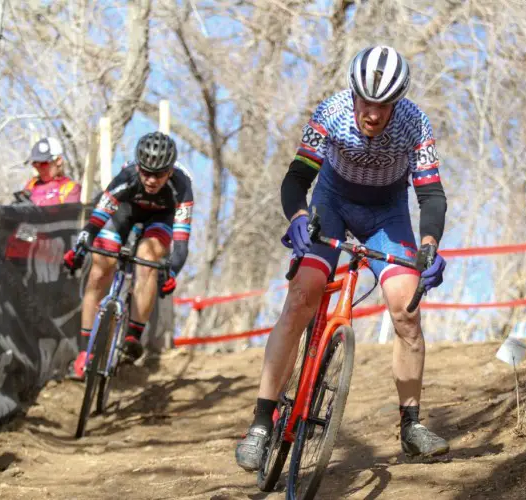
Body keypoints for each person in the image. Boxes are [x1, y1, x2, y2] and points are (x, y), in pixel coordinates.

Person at [235, 46, 449, 471]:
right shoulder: (331, 112)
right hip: (330, 205)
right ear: (353, 93)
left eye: (382, 104)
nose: (372, 112)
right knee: (301, 296)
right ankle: (261, 423)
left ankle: (411, 424)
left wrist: (429, 246)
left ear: (397, 102)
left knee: (407, 311)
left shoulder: (415, 123)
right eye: (365, 101)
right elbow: (298, 177)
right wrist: (298, 216)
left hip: (387, 215)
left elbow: (430, 194)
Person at [62, 132, 194, 379]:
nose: (151, 180)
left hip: (160, 218)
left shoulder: (182, 186)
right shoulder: (127, 175)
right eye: (146, 172)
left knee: (148, 257)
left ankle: (133, 335)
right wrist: (84, 241)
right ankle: (84, 353)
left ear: (170, 172)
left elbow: (182, 242)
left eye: (159, 174)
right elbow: (99, 217)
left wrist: (173, 271)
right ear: (138, 167)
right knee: (101, 267)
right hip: (124, 213)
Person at [20, 137, 82, 206]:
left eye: (44, 163)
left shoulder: (70, 188)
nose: (39, 167)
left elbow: (69, 215)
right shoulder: (31, 185)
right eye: (35, 163)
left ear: (58, 161)